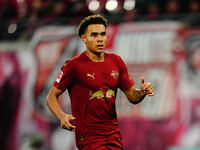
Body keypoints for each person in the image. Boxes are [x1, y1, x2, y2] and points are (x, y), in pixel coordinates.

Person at [46, 14, 154, 150]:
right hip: (88, 137)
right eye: (94, 35)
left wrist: (142, 92)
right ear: (84, 38)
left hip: (113, 135)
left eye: (102, 34)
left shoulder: (116, 62)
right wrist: (61, 116)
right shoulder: (73, 65)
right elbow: (51, 97)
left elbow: (132, 96)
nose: (100, 39)